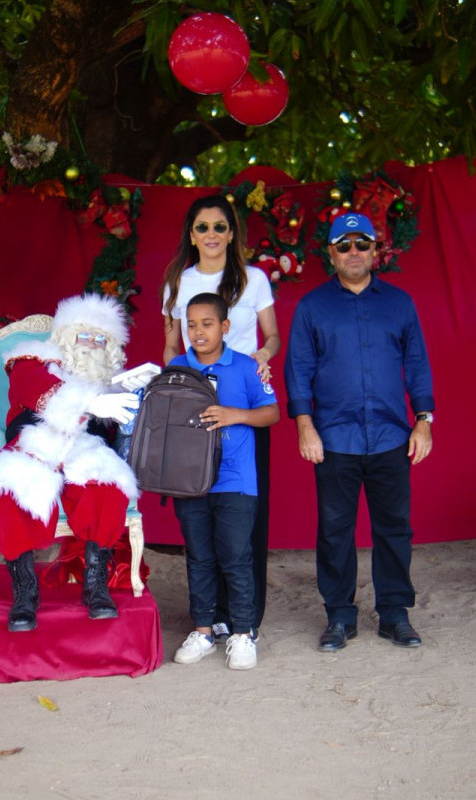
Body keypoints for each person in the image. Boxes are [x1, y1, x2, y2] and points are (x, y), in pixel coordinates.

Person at [283, 212, 434, 653]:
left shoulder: (400, 304)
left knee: (394, 528)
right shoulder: (312, 307)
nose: (354, 253)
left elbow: (418, 365)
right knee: (334, 530)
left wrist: (424, 420)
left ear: (375, 250)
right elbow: (299, 370)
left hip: (391, 436)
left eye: (362, 244)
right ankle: (339, 616)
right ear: (331, 253)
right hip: (333, 439)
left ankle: (394, 614)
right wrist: (304, 426)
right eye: (344, 245)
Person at [0, 294, 141, 631]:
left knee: (110, 485)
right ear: (66, 333)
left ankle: (95, 585)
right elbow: (35, 389)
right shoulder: (31, 359)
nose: (91, 344)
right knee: (10, 492)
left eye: (100, 338)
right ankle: (24, 592)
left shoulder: (107, 381)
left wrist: (132, 399)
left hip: (84, 448)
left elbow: (118, 427)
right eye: (84, 335)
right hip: (36, 443)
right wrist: (90, 402)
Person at [161, 194, 280, 641]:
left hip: (244, 405)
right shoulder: (178, 281)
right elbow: (172, 346)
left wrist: (264, 356)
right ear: (191, 235)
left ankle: (244, 617)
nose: (211, 235)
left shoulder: (253, 280)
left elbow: (272, 335)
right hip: (195, 411)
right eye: (202, 227)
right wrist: (171, 388)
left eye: (219, 227)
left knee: (244, 512)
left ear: (233, 233)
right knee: (198, 508)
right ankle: (207, 617)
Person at [169, 293, 279, 670]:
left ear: (225, 327)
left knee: (235, 557)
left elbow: (272, 412)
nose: (198, 332)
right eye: (192, 325)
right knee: (199, 557)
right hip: (190, 480)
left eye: (207, 324)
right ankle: (203, 632)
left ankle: (244, 633)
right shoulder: (176, 367)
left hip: (235, 479)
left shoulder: (247, 367)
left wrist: (236, 415)